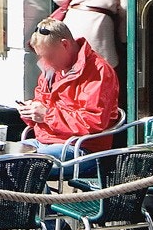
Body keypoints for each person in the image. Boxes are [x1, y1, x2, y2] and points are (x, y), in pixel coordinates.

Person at [16, 19, 120, 168]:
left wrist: (46, 115)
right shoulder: (50, 69)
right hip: (45, 141)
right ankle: (34, 191)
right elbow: (41, 106)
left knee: (29, 166)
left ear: (65, 44)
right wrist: (30, 112)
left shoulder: (98, 71)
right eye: (41, 56)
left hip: (82, 148)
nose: (45, 62)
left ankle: (35, 191)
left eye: (49, 56)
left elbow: (93, 122)